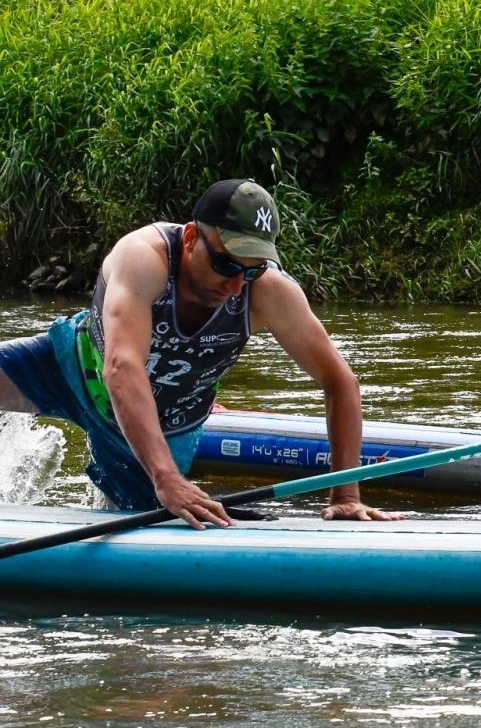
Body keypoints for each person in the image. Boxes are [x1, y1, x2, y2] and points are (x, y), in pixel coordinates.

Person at [0, 179, 395, 528]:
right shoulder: (144, 257)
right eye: (225, 264)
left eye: (252, 270)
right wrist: (165, 477)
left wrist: (345, 495)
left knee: (149, 519)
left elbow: (340, 382)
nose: (237, 284)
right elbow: (121, 368)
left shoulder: (271, 294)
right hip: (70, 367)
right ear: (190, 238)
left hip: (164, 424)